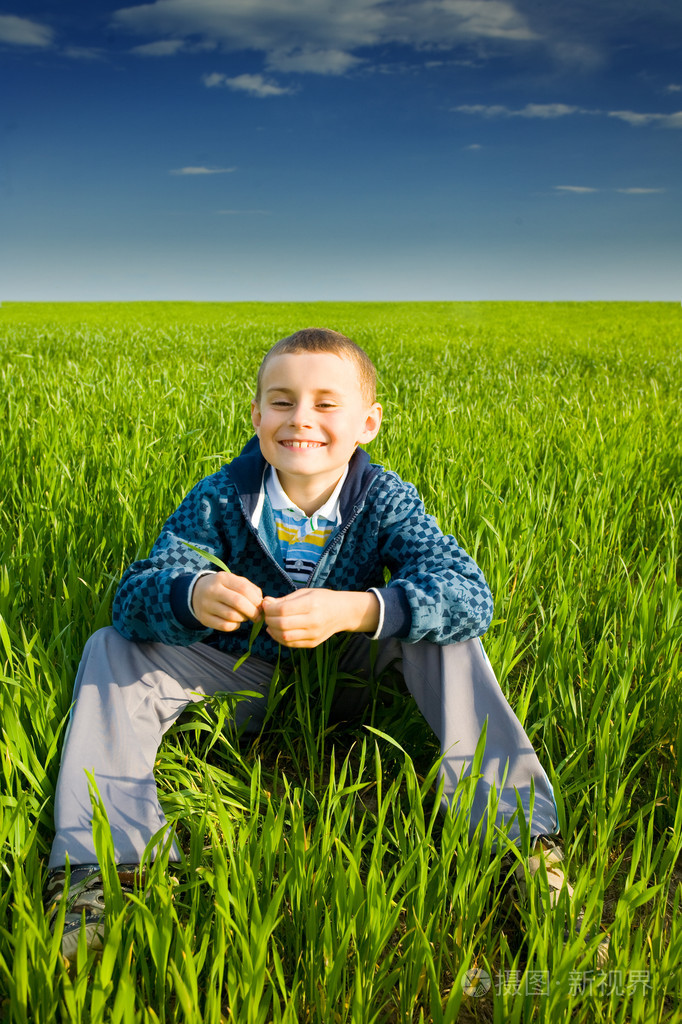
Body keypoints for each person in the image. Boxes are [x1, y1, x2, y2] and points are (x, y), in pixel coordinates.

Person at [45, 327, 568, 961]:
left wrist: (359, 608)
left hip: (351, 679)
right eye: (283, 401)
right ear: (258, 414)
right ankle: (104, 864)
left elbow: (468, 593)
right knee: (111, 644)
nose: (302, 420)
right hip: (240, 675)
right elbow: (135, 593)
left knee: (449, 635)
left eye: (326, 403)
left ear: (367, 423)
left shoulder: (384, 500)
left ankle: (519, 841)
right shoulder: (221, 497)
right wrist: (193, 592)